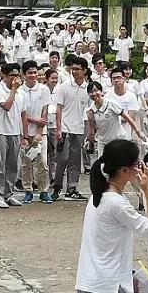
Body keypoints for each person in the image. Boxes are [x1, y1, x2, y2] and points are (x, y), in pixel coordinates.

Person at [75, 139, 148, 293]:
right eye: (137, 164)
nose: (140, 167)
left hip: (92, 280)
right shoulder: (116, 203)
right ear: (124, 171)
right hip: (107, 284)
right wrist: (147, 190)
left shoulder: (99, 196)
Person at [53, 55, 90, 201]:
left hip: (79, 129)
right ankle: (56, 188)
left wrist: (89, 131)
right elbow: (59, 109)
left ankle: (72, 188)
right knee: (62, 159)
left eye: (77, 69)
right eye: (73, 69)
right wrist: (58, 129)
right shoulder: (64, 87)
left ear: (84, 70)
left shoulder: (89, 89)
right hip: (65, 128)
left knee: (75, 160)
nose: (74, 72)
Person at [0, 63, 25, 209]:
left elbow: (23, 114)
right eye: (12, 75)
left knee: (12, 165)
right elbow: (7, 106)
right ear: (4, 76)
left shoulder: (21, 93)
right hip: (1, 132)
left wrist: (24, 135)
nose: (15, 78)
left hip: (15, 132)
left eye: (17, 75)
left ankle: (8, 193)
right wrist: (13, 89)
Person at [18, 60, 52, 204]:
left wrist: (39, 130)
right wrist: (32, 121)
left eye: (35, 73)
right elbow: (21, 114)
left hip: (40, 133)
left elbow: (44, 113)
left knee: (42, 161)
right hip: (24, 132)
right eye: (30, 73)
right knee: (26, 162)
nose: (33, 76)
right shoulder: (19, 90)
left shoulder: (43, 89)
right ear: (24, 75)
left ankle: (44, 190)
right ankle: (28, 190)